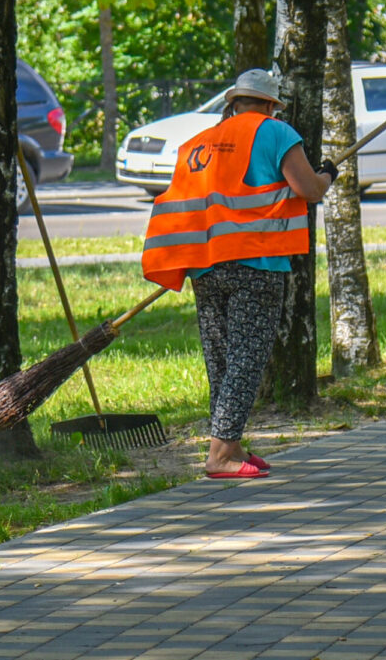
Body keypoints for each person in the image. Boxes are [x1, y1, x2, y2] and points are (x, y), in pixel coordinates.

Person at [141, 68, 337, 479]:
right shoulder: (276, 133)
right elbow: (309, 190)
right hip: (256, 262)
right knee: (246, 359)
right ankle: (220, 456)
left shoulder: (198, 143)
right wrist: (327, 175)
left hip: (206, 264)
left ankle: (231, 444)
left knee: (221, 359)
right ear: (269, 105)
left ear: (234, 101)